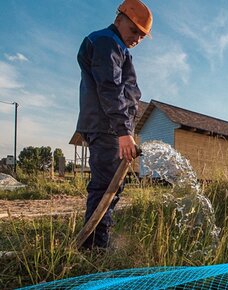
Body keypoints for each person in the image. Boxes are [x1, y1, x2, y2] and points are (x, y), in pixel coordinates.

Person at [75, 0, 152, 249]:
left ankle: (97, 241)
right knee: (106, 187)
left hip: (111, 127)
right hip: (107, 126)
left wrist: (126, 129)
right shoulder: (106, 42)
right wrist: (122, 131)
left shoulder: (117, 47)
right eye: (134, 31)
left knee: (112, 186)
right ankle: (95, 249)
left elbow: (125, 92)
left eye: (141, 36)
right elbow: (110, 87)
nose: (137, 39)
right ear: (120, 18)